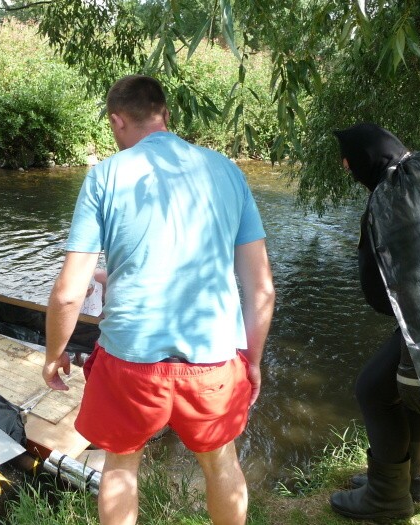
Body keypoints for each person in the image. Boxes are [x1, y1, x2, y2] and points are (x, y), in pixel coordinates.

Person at [43, 75, 275, 525]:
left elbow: (70, 293)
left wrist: (54, 356)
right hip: (213, 357)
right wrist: (253, 359)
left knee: (121, 466)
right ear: (165, 114)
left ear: (116, 121)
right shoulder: (227, 171)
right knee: (221, 462)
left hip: (130, 359)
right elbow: (261, 287)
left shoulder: (105, 176)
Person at [330, 123, 420, 519]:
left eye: (348, 161)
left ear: (364, 160)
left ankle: (386, 498)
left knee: (373, 389)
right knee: (411, 383)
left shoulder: (390, 196)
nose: (345, 168)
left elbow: (377, 291)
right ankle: (409, 482)